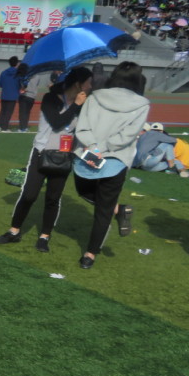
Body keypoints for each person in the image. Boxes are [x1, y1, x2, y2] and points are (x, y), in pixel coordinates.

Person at [0, 67, 91, 252]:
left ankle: (44, 236)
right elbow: (57, 122)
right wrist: (76, 105)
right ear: (78, 84)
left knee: (53, 198)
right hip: (41, 152)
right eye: (88, 82)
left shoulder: (84, 105)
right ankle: (14, 231)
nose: (90, 86)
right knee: (29, 195)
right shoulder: (51, 98)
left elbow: (82, 130)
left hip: (64, 155)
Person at [72, 61, 149, 269]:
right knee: (103, 208)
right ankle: (115, 213)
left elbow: (83, 126)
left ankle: (90, 252)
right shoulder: (142, 104)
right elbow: (128, 135)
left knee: (89, 195)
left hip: (91, 153)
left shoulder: (95, 97)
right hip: (116, 157)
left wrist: (95, 147)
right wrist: (104, 148)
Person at [0, 56, 21, 131]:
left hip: (4, 95)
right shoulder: (18, 73)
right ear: (17, 63)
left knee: (3, 111)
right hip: (13, 96)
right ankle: (5, 127)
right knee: (8, 112)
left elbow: (0, 84)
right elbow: (21, 83)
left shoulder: (4, 72)